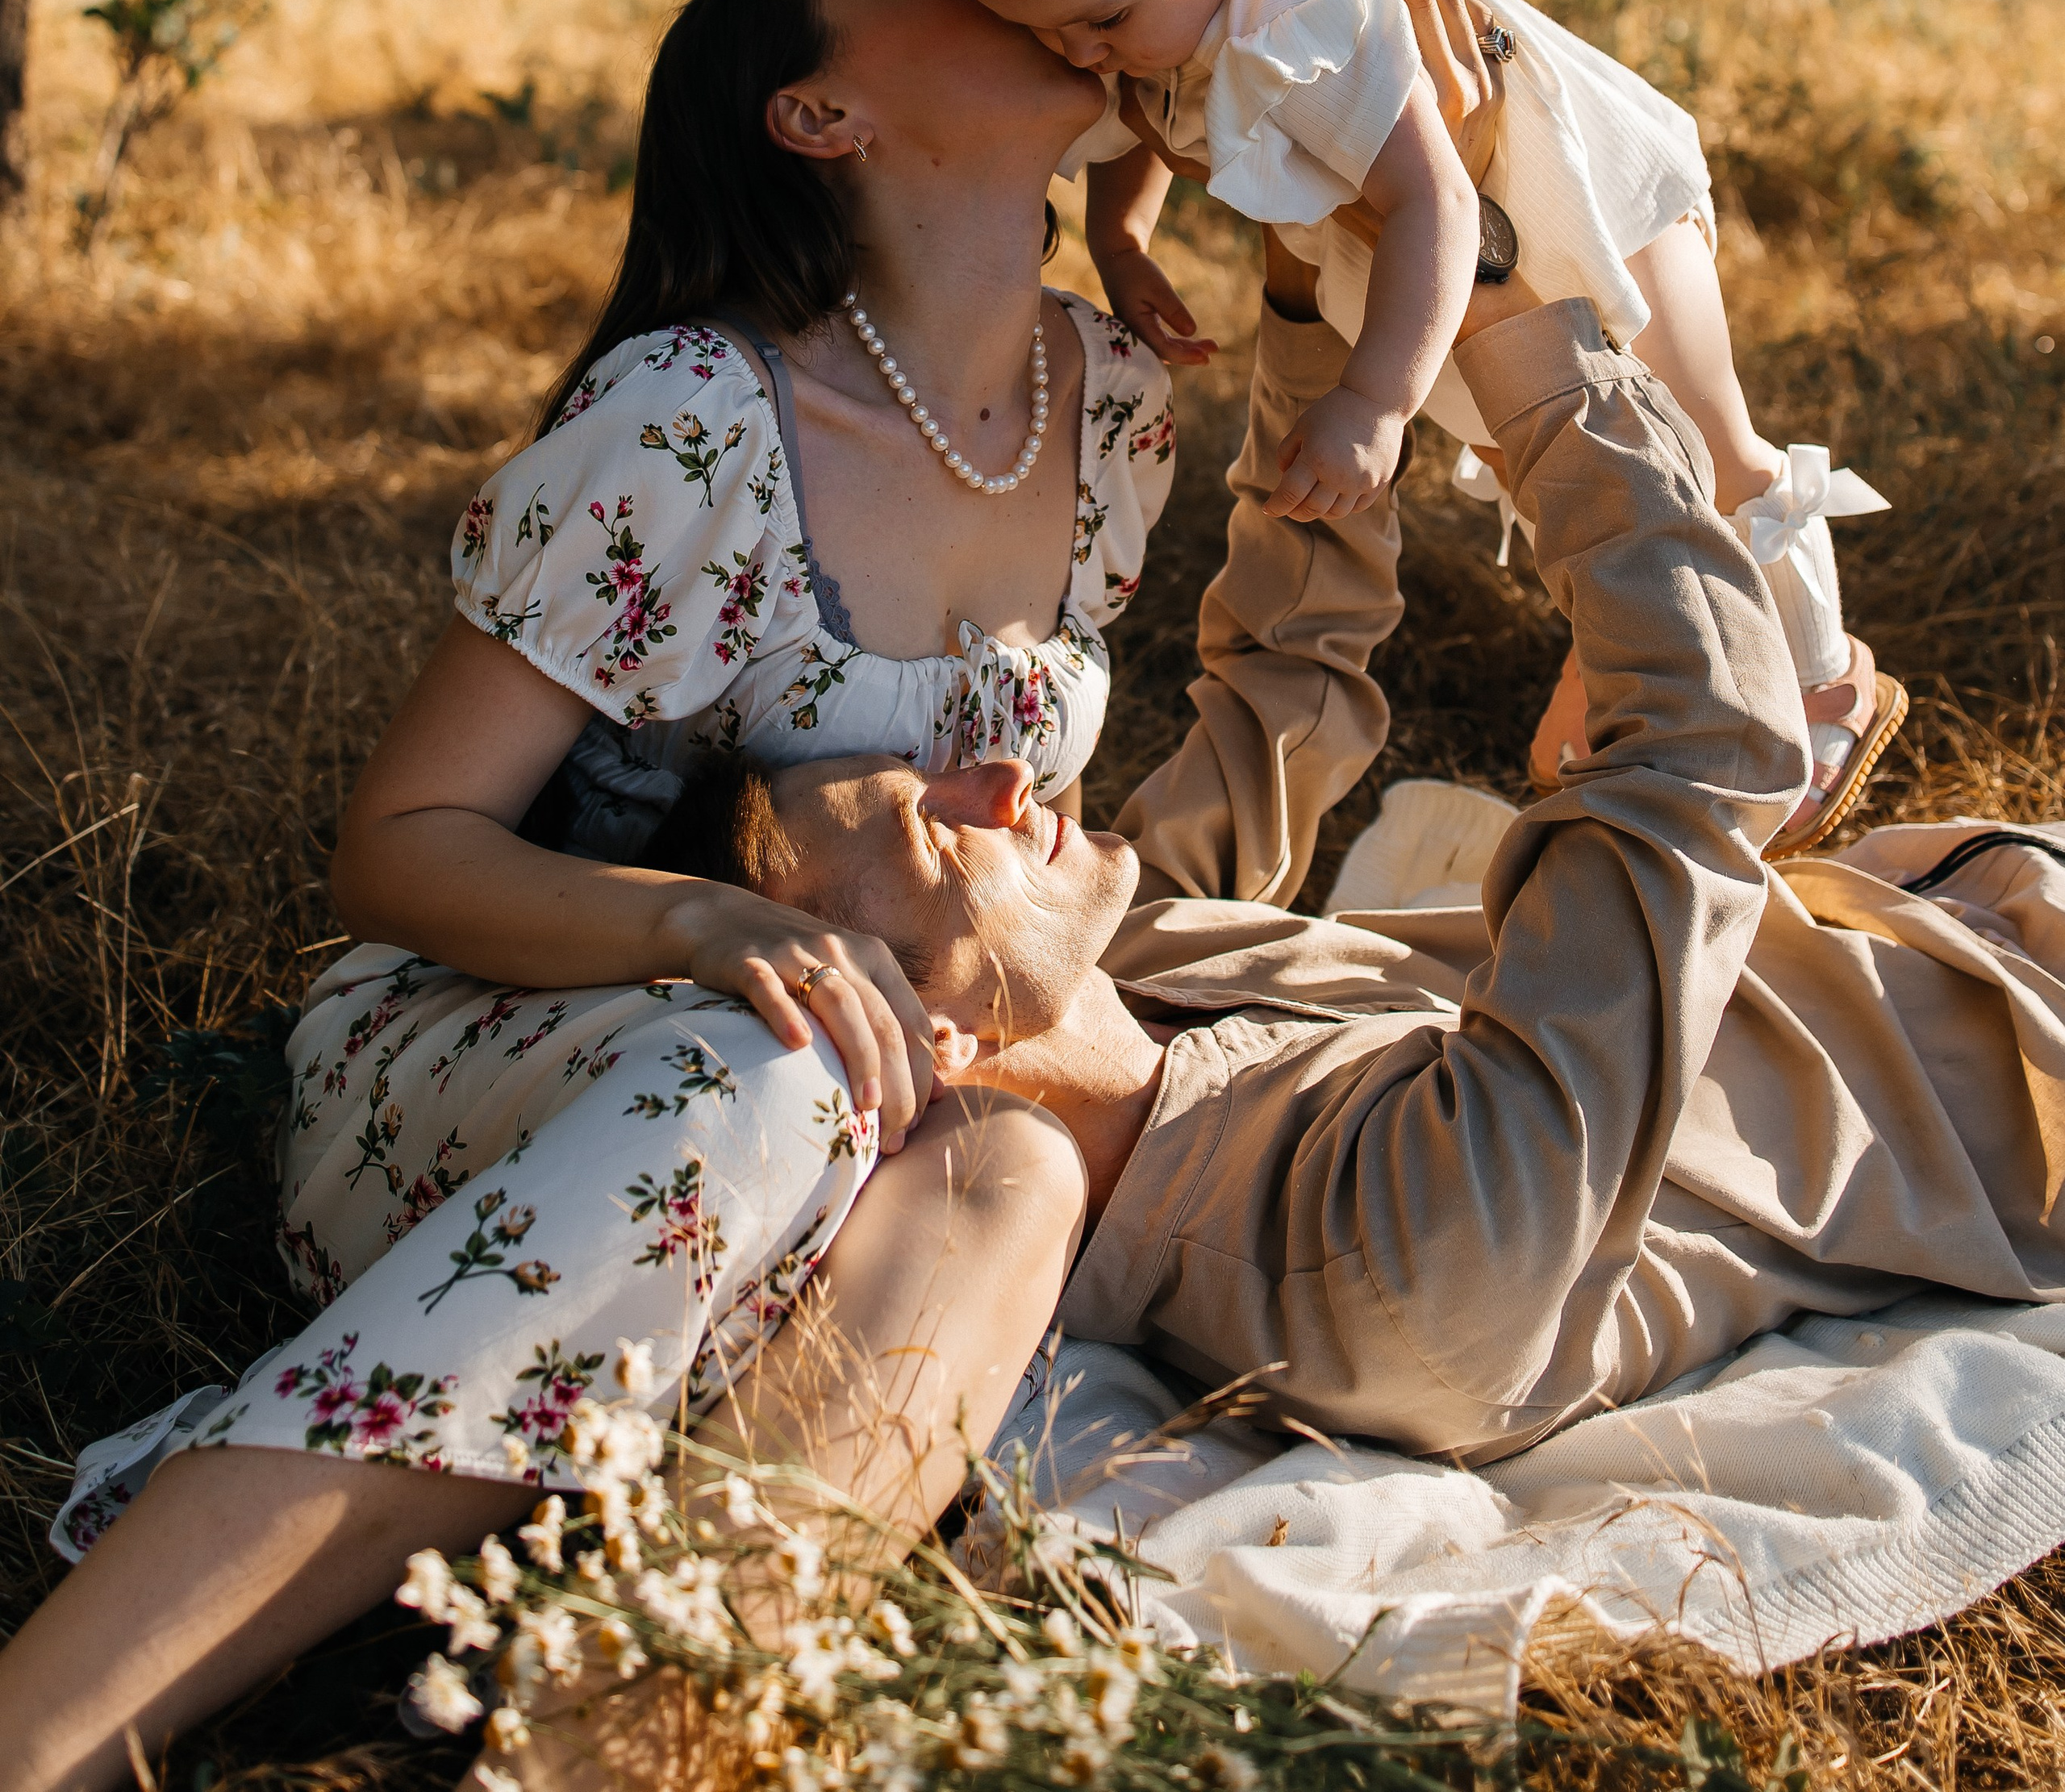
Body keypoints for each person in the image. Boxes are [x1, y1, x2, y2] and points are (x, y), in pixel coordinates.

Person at [0, 0, 1170, 1792]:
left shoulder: (1115, 404)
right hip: (496, 1081)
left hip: (850, 1107)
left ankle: (573, 1756)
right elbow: (401, 847)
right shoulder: (696, 419)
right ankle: (44, 1742)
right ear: (819, 113)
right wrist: (698, 930)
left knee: (1014, 1180)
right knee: (770, 1066)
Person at [578, 272, 2065, 1453]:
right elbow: (1704, 750)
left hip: (1953, 895)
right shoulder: (1383, 1259)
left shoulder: (1125, 978)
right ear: (925, 1033)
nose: (1001, 773)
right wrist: (1507, 334)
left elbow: (1290, 686)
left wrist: (1317, 310)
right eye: (928, 824)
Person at [868, 0, 1904, 846]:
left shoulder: (1319, 7)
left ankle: (1821, 681)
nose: (1081, 53)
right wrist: (1122, 238)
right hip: (1407, 262)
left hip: (1576, 202)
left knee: (1708, 445)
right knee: (1548, 468)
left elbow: (1437, 195)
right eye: (1054, 36)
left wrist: (1374, 402)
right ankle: (1653, 667)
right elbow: (1141, 118)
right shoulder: (1144, 0)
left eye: (1101, 21)